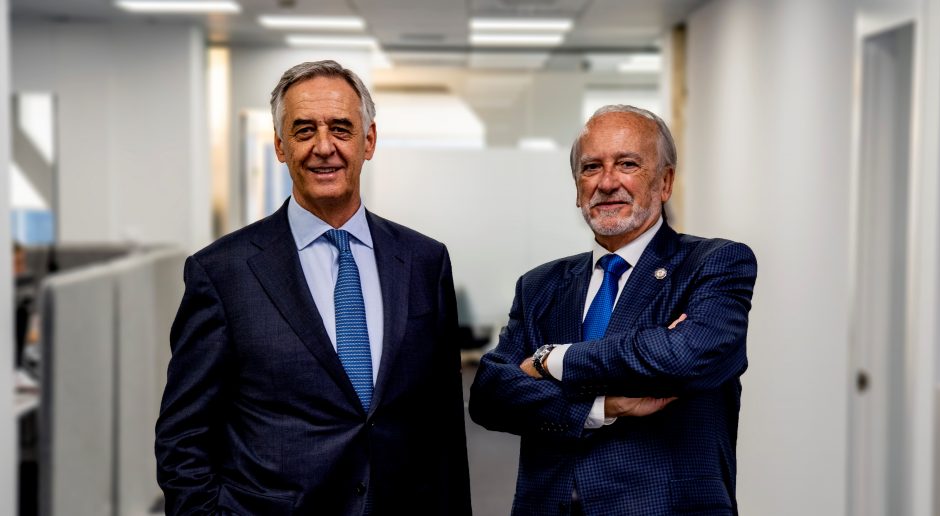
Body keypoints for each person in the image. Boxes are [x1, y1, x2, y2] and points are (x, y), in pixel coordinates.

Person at [155, 60, 471, 515]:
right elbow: (183, 437)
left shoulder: (424, 261)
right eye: (304, 131)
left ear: (369, 141)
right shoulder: (222, 273)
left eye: (341, 129)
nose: (324, 147)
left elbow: (444, 424)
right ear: (280, 146)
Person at [469, 105, 757, 515]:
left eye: (627, 164)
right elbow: (490, 395)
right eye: (591, 167)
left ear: (665, 182)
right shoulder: (540, 285)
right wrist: (602, 406)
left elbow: (684, 357)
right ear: (577, 188)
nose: (607, 182)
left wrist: (551, 360)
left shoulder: (713, 264)